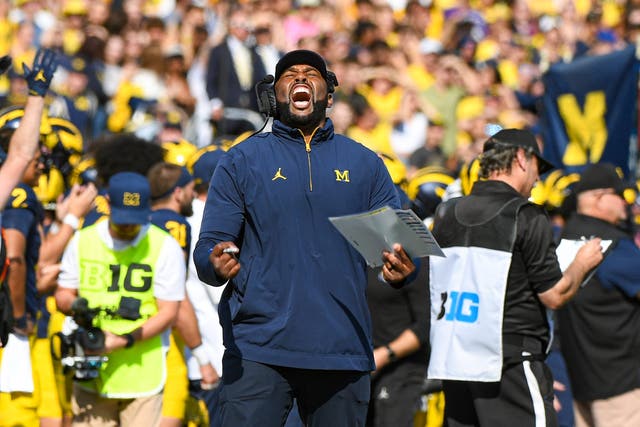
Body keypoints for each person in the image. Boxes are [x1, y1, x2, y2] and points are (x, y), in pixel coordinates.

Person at [193, 49, 416, 426]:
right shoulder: (241, 159)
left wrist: (403, 270)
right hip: (259, 348)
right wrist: (215, 263)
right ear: (273, 94)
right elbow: (208, 246)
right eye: (290, 74)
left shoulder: (366, 163)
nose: (300, 78)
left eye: (311, 73)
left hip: (342, 347)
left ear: (328, 95)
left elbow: (398, 249)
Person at [427, 128, 604, 426]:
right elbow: (554, 295)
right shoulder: (526, 214)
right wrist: (582, 264)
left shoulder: (447, 212)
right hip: (509, 360)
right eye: (538, 168)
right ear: (522, 158)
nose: (538, 179)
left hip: (455, 360)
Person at [54, 172, 186, 427]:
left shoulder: (164, 246)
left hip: (142, 376)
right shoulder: (83, 240)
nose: (128, 226)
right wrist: (74, 306)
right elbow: (63, 293)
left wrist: (123, 340)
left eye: (135, 219)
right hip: (90, 372)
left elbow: (169, 312)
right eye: (122, 218)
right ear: (107, 204)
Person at [556, 163, 640, 427]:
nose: (627, 203)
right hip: (622, 388)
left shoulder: (565, 236)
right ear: (599, 198)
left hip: (579, 382)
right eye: (620, 195)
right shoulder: (613, 244)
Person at [147, 162, 218, 426]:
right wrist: (202, 357)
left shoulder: (142, 221)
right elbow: (176, 295)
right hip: (168, 342)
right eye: (190, 189)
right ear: (178, 193)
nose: (192, 194)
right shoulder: (175, 226)